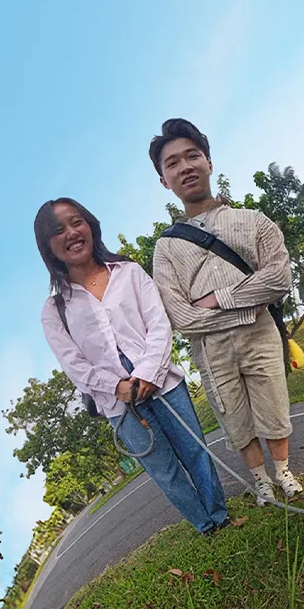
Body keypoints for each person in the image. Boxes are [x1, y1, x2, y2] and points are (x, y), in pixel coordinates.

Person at [34, 196, 230, 536]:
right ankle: (205, 526)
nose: (71, 233)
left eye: (76, 222)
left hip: (163, 383)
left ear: (91, 225)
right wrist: (117, 388)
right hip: (117, 403)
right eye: (58, 230)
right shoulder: (54, 309)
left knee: (195, 451)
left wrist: (148, 373)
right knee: (163, 469)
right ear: (48, 246)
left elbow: (159, 324)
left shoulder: (129, 272)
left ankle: (220, 515)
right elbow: (73, 364)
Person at [147, 118, 302, 505]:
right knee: (234, 415)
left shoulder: (253, 222)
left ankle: (283, 472)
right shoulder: (165, 248)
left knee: (273, 402)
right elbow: (181, 316)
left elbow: (279, 278)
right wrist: (250, 305)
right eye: (172, 163)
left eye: (192, 156)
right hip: (211, 348)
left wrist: (218, 299)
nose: (185, 167)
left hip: (261, 334)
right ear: (164, 180)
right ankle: (260, 480)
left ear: (209, 163)